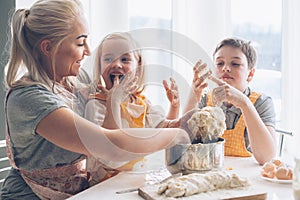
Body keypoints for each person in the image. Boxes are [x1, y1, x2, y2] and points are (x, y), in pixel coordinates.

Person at [0, 1, 191, 199]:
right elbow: (110, 146)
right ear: (48, 47)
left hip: (77, 192)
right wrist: (177, 134)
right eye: (80, 42)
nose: (89, 51)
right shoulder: (29, 99)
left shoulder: (73, 79)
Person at [83, 32, 184, 183]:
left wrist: (174, 106)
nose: (117, 64)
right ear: (99, 66)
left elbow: (162, 133)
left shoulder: (140, 102)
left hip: (135, 180)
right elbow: (110, 152)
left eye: (125, 59)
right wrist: (114, 101)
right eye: (108, 59)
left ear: (138, 67)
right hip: (104, 184)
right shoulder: (96, 105)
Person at [184, 37, 276, 165]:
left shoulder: (261, 102)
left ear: (250, 74)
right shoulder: (205, 100)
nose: (226, 68)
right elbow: (183, 143)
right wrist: (193, 95)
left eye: (235, 64)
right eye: (220, 63)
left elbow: (266, 158)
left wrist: (245, 104)